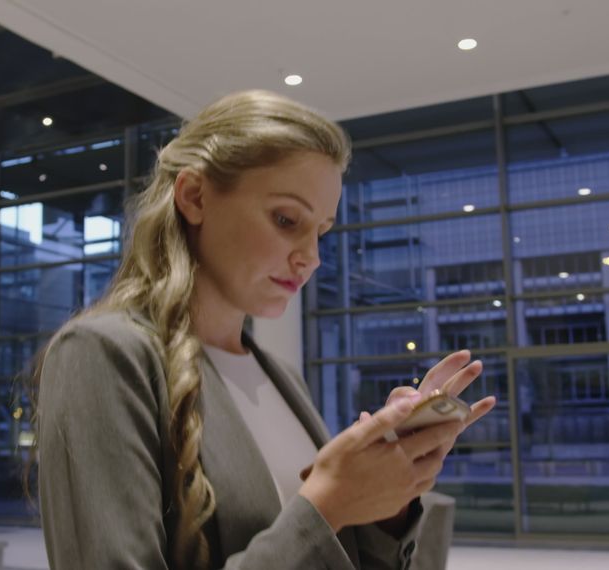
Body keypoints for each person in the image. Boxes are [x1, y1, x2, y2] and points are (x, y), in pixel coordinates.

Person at [31, 89, 497, 569]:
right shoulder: (102, 353)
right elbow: (310, 526)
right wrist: (327, 505)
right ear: (195, 197)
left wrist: (385, 502)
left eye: (320, 232)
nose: (310, 258)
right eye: (285, 219)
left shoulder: (279, 376)